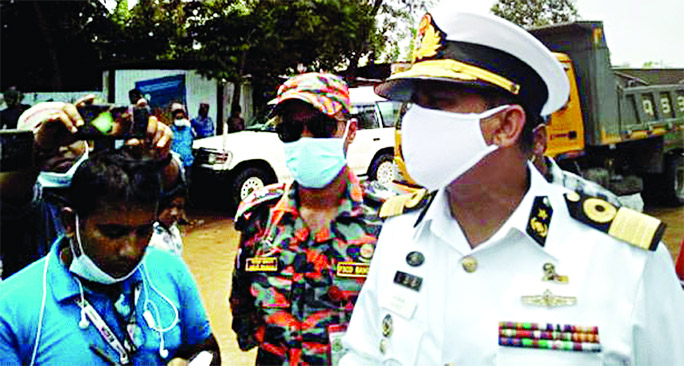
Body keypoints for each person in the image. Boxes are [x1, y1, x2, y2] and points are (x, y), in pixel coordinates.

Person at [341, 10, 684, 365]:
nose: (415, 122)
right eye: (414, 106)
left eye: (438, 104)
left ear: (506, 125)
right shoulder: (399, 234)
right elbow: (363, 353)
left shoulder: (622, 258)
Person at [0, 145, 220, 365]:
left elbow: (207, 350)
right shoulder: (11, 309)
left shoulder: (169, 269)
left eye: (144, 231)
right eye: (113, 233)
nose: (131, 251)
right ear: (69, 223)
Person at [229, 72, 383, 365]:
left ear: (350, 131)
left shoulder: (384, 221)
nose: (305, 139)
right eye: (290, 129)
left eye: (321, 127)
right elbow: (242, 304)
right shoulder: (261, 217)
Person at [149, 187, 187, 256]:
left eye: (179, 207)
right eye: (170, 206)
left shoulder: (174, 231)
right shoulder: (150, 237)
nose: (174, 213)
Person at [169, 102, 194, 182]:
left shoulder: (189, 129)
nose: (179, 115)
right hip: (176, 165)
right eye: (176, 114)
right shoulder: (170, 130)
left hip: (189, 164)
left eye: (181, 113)